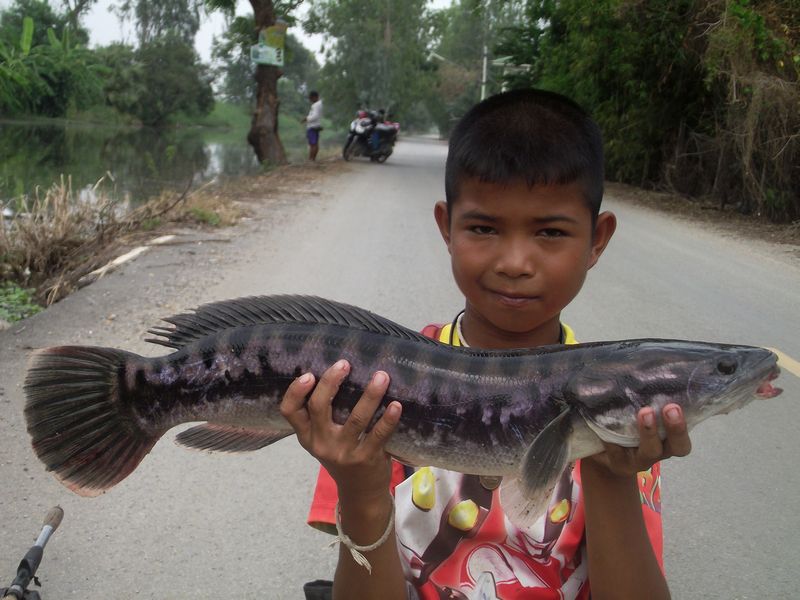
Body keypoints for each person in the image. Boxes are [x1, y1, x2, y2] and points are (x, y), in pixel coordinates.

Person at [281, 88, 692, 600]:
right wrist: (364, 494)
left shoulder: (622, 413)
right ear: (446, 227)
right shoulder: (369, 392)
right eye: (484, 228)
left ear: (597, 239)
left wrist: (610, 474)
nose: (514, 262)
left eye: (549, 232)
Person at [303, 90, 323, 161]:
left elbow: (315, 116)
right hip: (316, 125)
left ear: (314, 97)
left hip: (312, 126)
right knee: (315, 143)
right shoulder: (319, 104)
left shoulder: (315, 105)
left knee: (312, 144)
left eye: (310, 98)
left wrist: (306, 118)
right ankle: (313, 159)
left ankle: (311, 159)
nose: (310, 100)